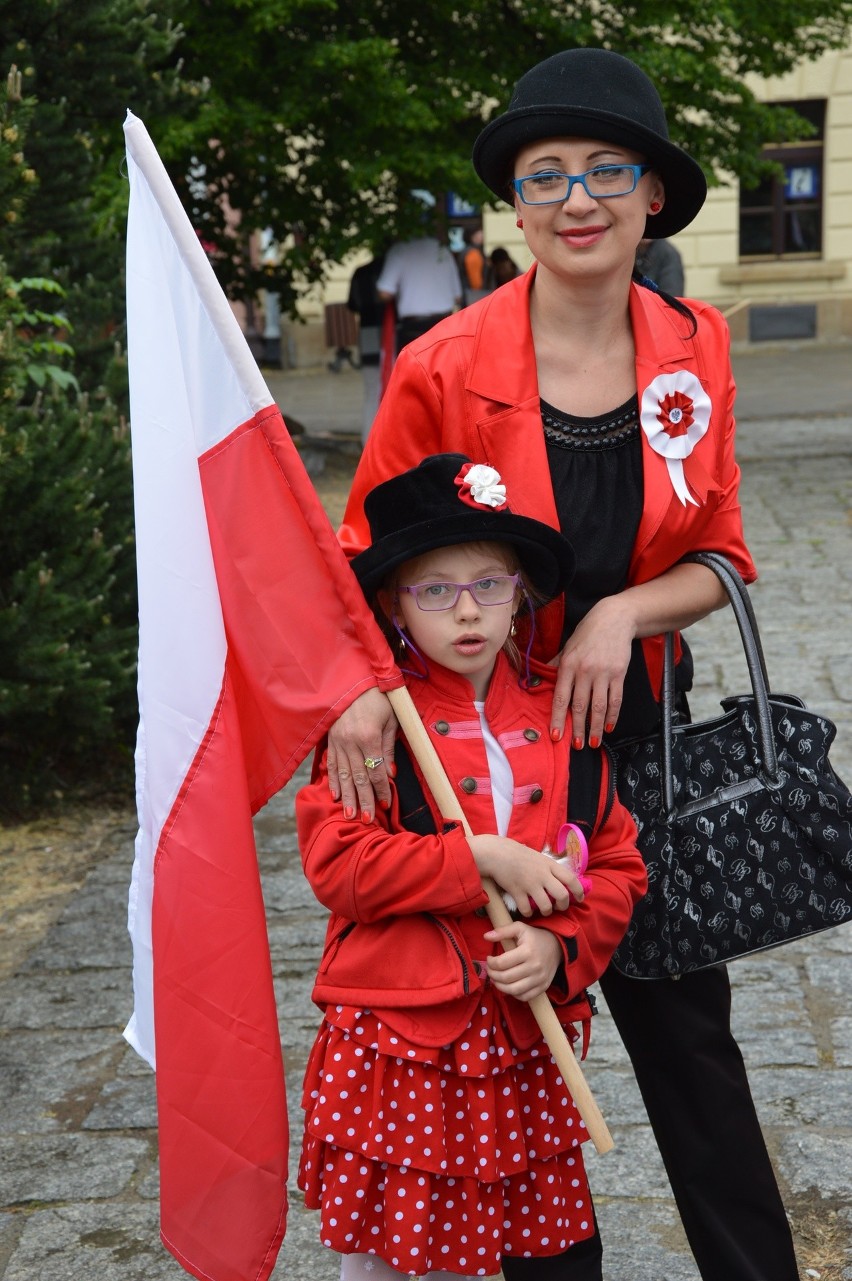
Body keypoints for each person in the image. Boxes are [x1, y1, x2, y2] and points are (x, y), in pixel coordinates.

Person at [327, 47, 801, 1281]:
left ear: (653, 196)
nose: (578, 199)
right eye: (547, 177)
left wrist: (624, 611)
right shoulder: (442, 364)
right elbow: (358, 558)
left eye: (607, 171)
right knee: (507, 1036)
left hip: (634, 734)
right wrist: (361, 699)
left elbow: (727, 560)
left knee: (691, 1043)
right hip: (483, 753)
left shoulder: (695, 344)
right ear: (518, 206)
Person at [296, 452, 647, 1281]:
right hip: (404, 1044)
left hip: (521, 1041)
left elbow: (620, 864)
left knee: (522, 1240)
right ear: (393, 604)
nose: (468, 611)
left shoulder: (564, 717)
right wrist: (479, 857)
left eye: (491, 585)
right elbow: (339, 865)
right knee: (399, 1255)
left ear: (521, 595)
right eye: (436, 590)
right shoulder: (373, 732)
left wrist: (562, 945)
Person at [377, 218, 462, 352]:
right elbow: (457, 297)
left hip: (413, 328)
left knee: (412, 371)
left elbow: (384, 293)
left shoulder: (399, 250)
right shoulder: (442, 251)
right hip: (444, 326)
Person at [347, 252, 387, 444]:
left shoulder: (361, 272)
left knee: (371, 391)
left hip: (368, 332)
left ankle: (368, 442)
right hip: (390, 332)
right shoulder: (389, 271)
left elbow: (352, 304)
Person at [460, 225, 490, 304]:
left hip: (469, 296)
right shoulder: (473, 254)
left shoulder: (468, 251)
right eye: (479, 232)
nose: (482, 235)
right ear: (473, 236)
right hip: (474, 297)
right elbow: (476, 283)